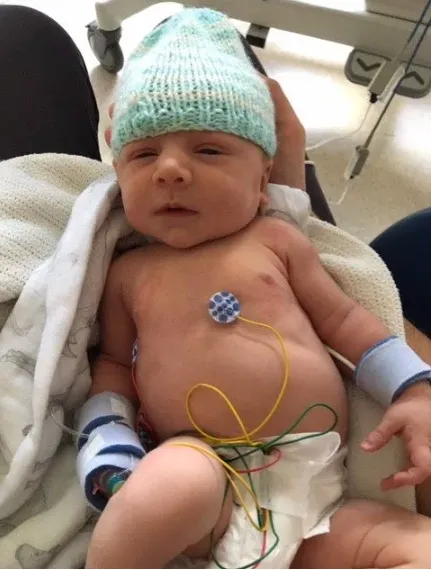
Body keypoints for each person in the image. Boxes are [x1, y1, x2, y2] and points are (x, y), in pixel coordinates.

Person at [1, 4, 431, 568]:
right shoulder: (127, 271)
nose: (170, 170)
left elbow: (347, 321)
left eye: (208, 149)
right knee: (167, 491)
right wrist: (107, 435)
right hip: (210, 484)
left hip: (321, 498)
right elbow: (112, 365)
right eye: (144, 154)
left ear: (263, 180)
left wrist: (413, 390)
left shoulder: (276, 240)